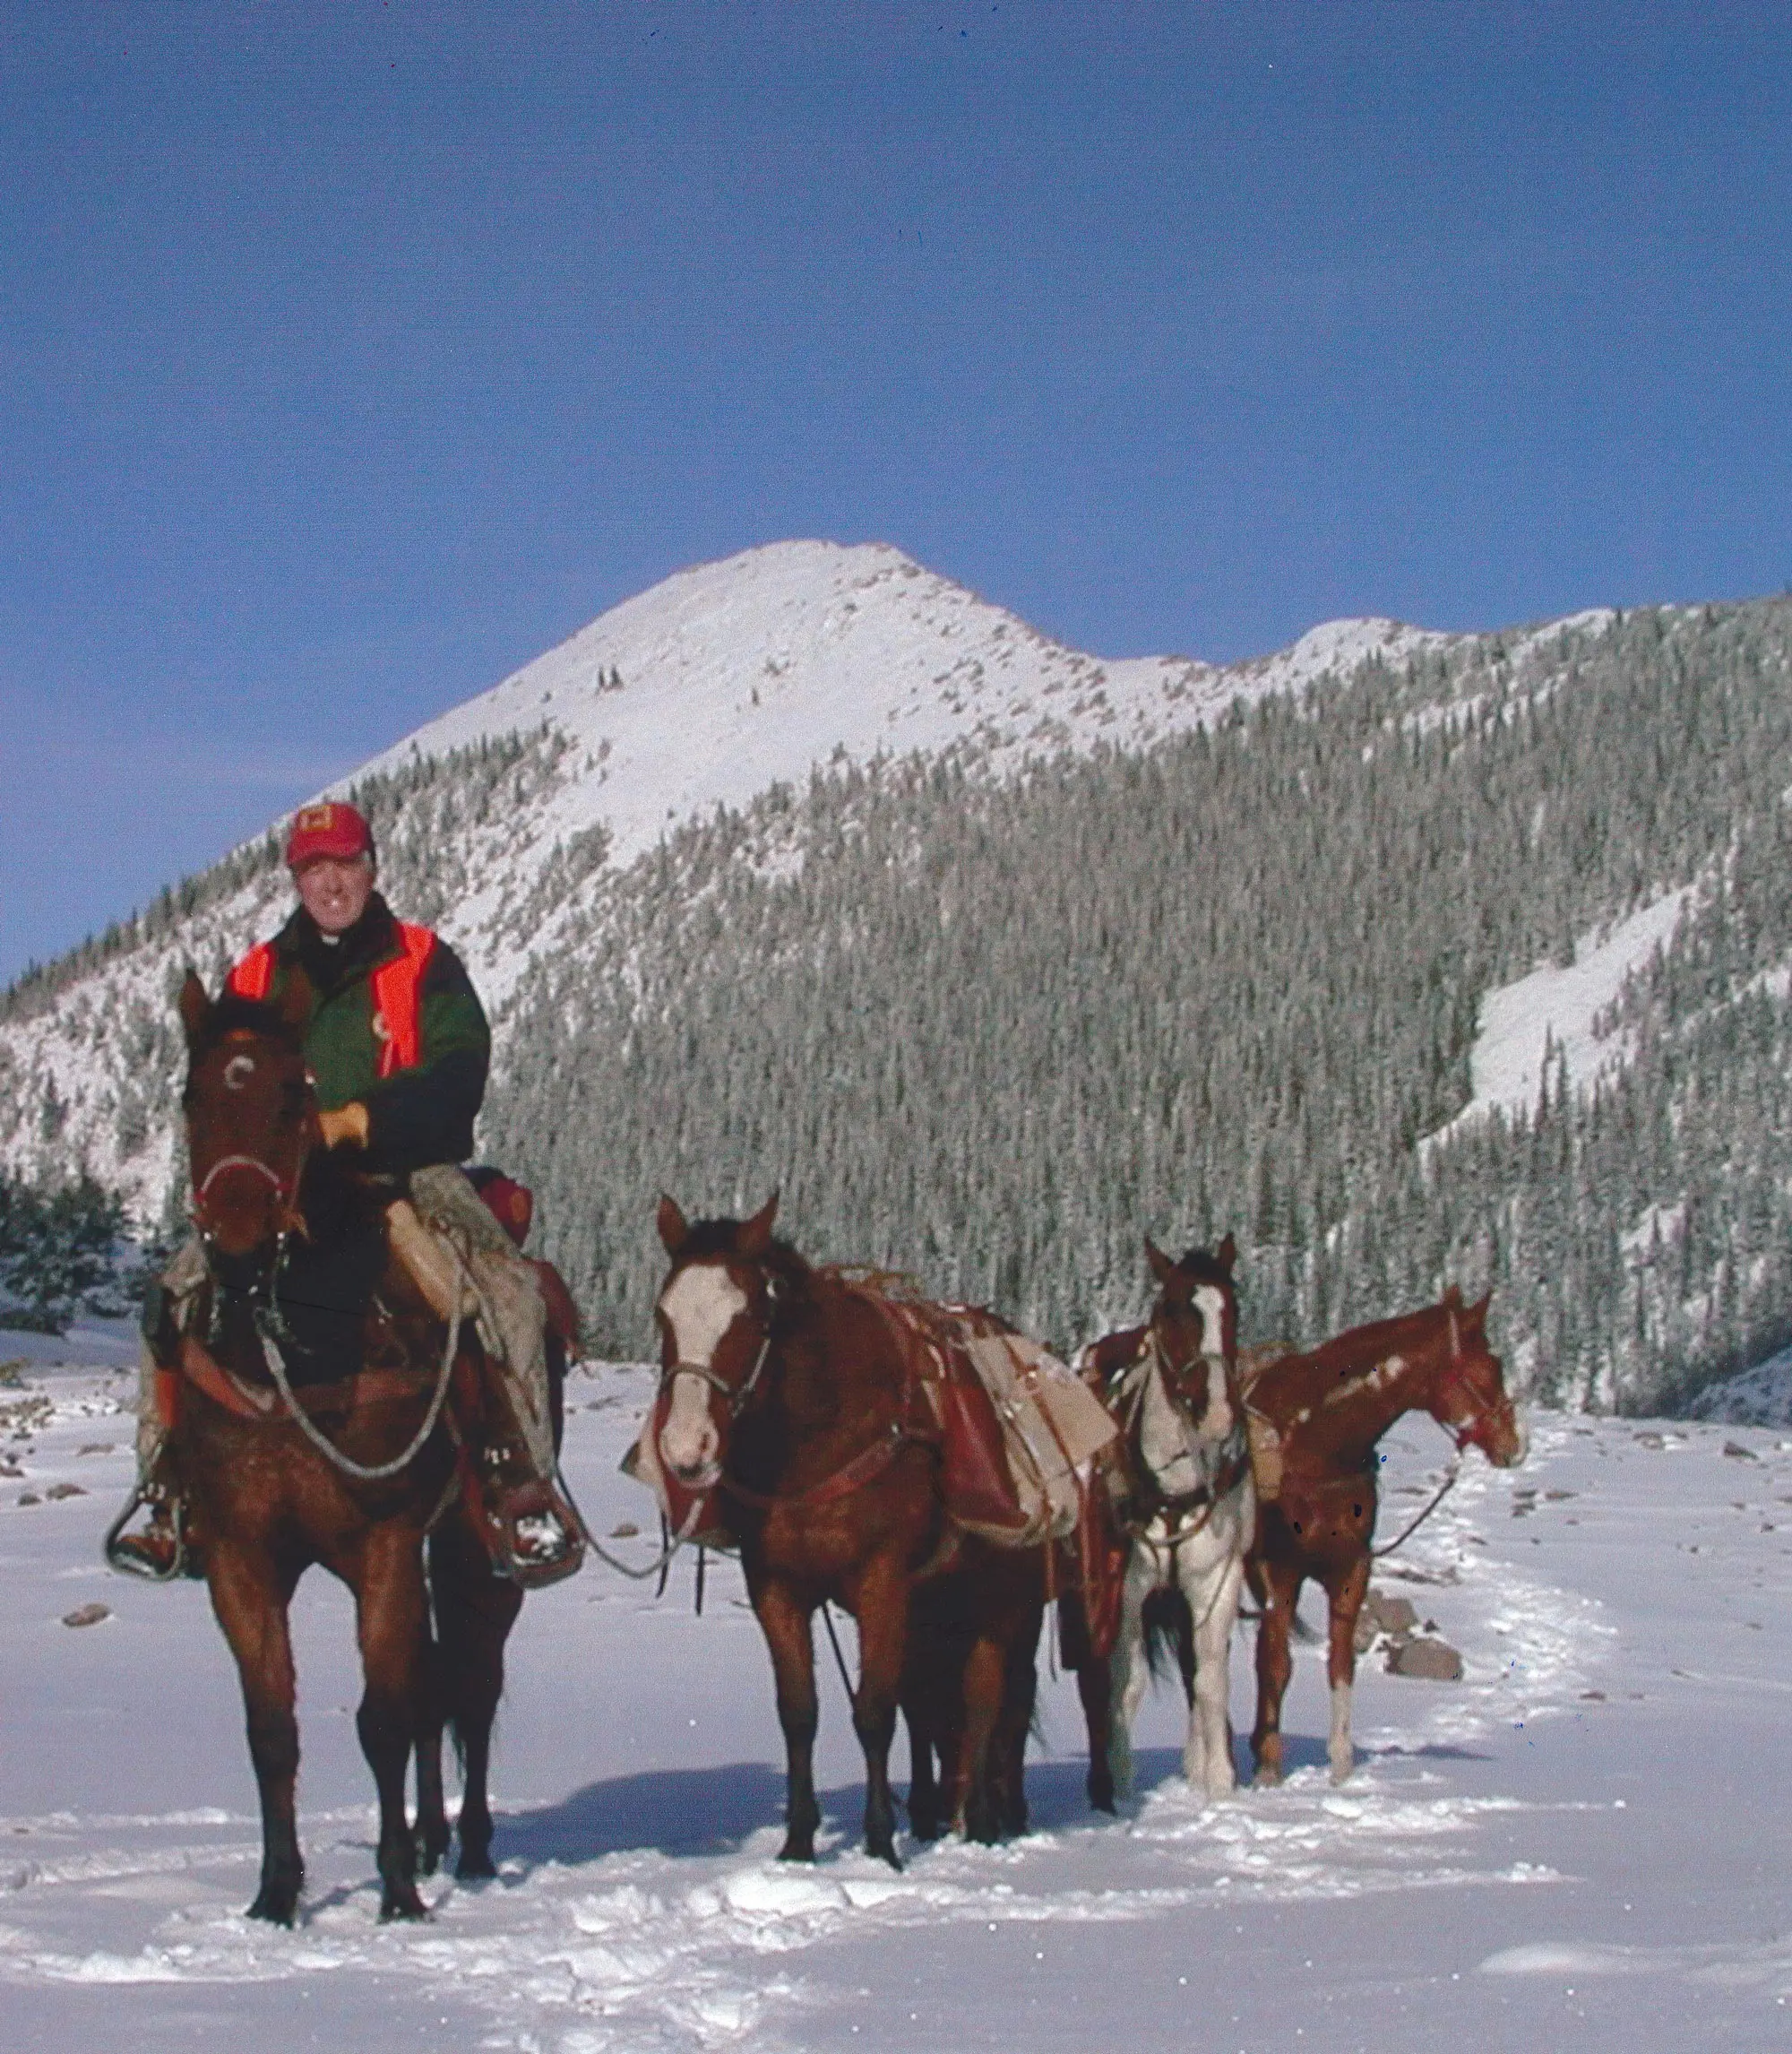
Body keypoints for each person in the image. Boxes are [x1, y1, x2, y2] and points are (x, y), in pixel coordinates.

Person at [110, 800, 578, 1584]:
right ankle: (168, 1489)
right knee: (174, 1295)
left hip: (408, 1173)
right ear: (296, 878)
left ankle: (520, 1485)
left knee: (506, 1294)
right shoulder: (257, 973)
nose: (331, 883)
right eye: (313, 868)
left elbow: (461, 1070)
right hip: (281, 1185)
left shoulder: (424, 959)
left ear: (372, 867)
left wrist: (363, 1118)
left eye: (345, 863)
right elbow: (225, 1089)